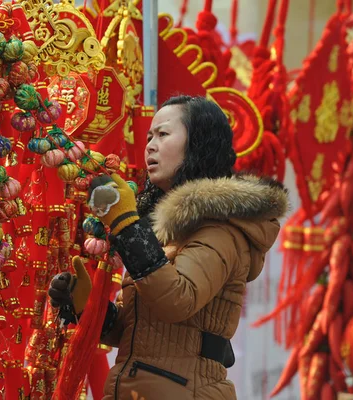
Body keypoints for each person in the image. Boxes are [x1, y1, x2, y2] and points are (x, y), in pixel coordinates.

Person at [49, 95, 289, 399]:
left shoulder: (221, 228)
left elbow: (176, 300)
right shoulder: (166, 229)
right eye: (149, 136)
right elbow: (141, 331)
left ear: (198, 144)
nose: (150, 144)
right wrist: (87, 308)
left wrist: (128, 227)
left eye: (163, 134)